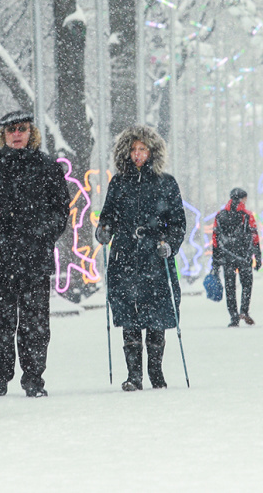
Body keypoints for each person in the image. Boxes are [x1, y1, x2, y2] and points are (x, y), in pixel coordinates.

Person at [0, 110, 70, 398]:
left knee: (36, 324)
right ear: (3, 134)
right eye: (11, 130)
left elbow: (60, 211)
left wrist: (41, 234)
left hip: (35, 258)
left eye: (22, 128)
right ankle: (1, 374)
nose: (17, 134)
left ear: (30, 131)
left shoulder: (47, 167)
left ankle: (33, 377)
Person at [96, 125, 186, 392]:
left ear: (152, 152)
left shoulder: (166, 182)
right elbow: (108, 215)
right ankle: (133, 375)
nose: (137, 154)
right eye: (133, 149)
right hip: (125, 255)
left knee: (157, 315)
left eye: (142, 149)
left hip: (155, 257)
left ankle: (155, 372)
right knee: (129, 314)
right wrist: (104, 230)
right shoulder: (118, 183)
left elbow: (178, 222)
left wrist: (169, 244)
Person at [211, 188, 262, 327]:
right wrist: (257, 256)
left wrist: (215, 259)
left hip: (227, 257)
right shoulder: (247, 215)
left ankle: (233, 316)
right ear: (241, 199)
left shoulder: (220, 215)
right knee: (247, 284)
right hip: (244, 256)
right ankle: (244, 310)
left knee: (230, 286)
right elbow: (254, 237)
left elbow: (215, 238)